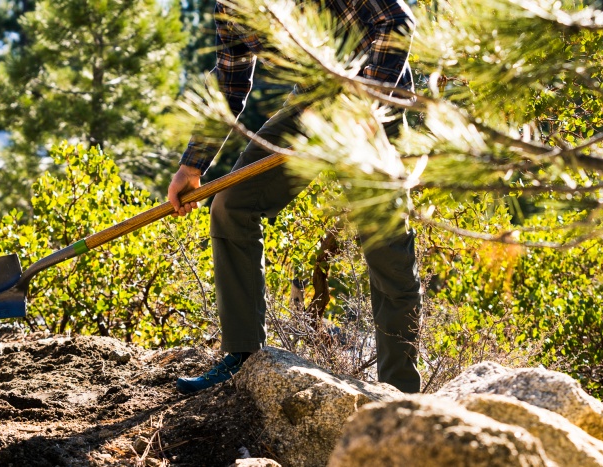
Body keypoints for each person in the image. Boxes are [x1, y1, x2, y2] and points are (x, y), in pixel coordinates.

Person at [167, 0, 421, 394]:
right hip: (313, 101)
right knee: (232, 205)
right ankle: (245, 357)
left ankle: (401, 394)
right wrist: (193, 165)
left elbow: (397, 21)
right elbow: (230, 82)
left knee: (385, 245)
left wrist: (365, 106)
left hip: (374, 101)